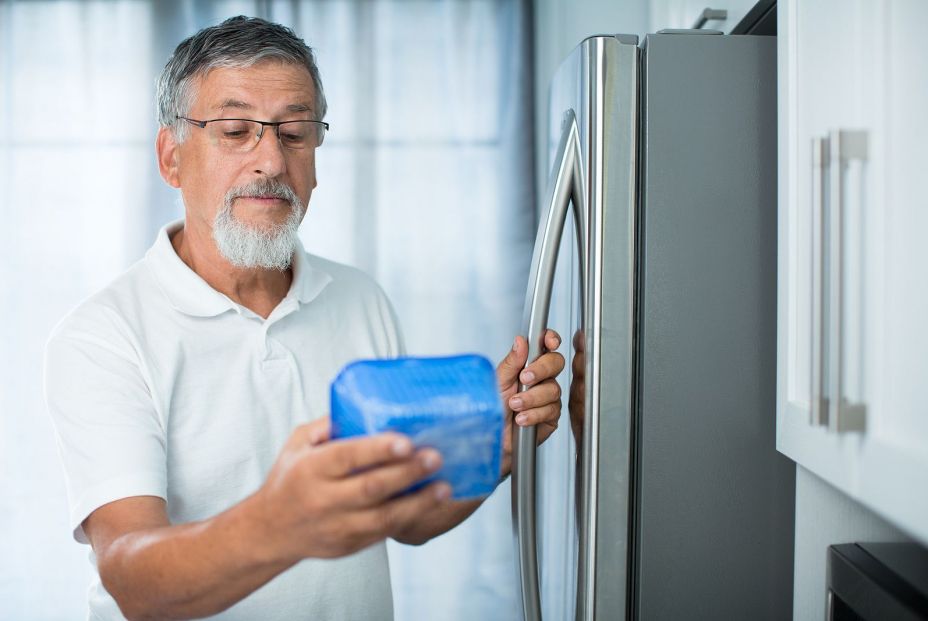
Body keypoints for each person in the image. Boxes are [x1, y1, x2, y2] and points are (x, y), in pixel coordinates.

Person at [44, 15, 565, 621]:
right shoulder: (102, 336)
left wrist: (493, 449)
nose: (270, 159)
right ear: (172, 158)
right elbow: (136, 581)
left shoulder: (360, 299)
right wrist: (281, 522)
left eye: (294, 132)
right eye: (235, 130)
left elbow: (404, 516)